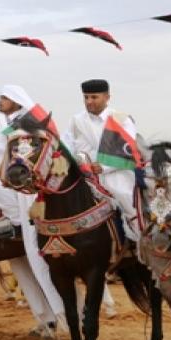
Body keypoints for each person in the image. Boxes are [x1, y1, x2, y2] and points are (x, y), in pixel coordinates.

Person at [0, 84, 66, 337]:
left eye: (5, 97)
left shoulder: (27, 124)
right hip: (12, 179)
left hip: (28, 186)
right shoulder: (10, 124)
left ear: (17, 100)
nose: (1, 101)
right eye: (0, 97)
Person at [67, 79, 139, 241]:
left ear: (107, 97)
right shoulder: (77, 120)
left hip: (118, 172)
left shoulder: (121, 119)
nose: (89, 102)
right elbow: (74, 145)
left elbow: (128, 149)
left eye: (94, 97)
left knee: (127, 199)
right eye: (86, 97)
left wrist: (104, 167)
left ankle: (139, 242)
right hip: (88, 174)